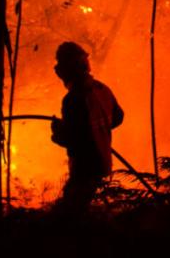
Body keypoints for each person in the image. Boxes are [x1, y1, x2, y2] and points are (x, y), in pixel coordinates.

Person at [50, 41, 124, 215]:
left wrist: (57, 131)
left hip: (84, 167)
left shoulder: (73, 99)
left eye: (60, 65)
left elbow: (73, 139)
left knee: (69, 214)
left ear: (67, 69)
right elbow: (118, 117)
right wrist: (100, 131)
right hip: (101, 161)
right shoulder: (102, 89)